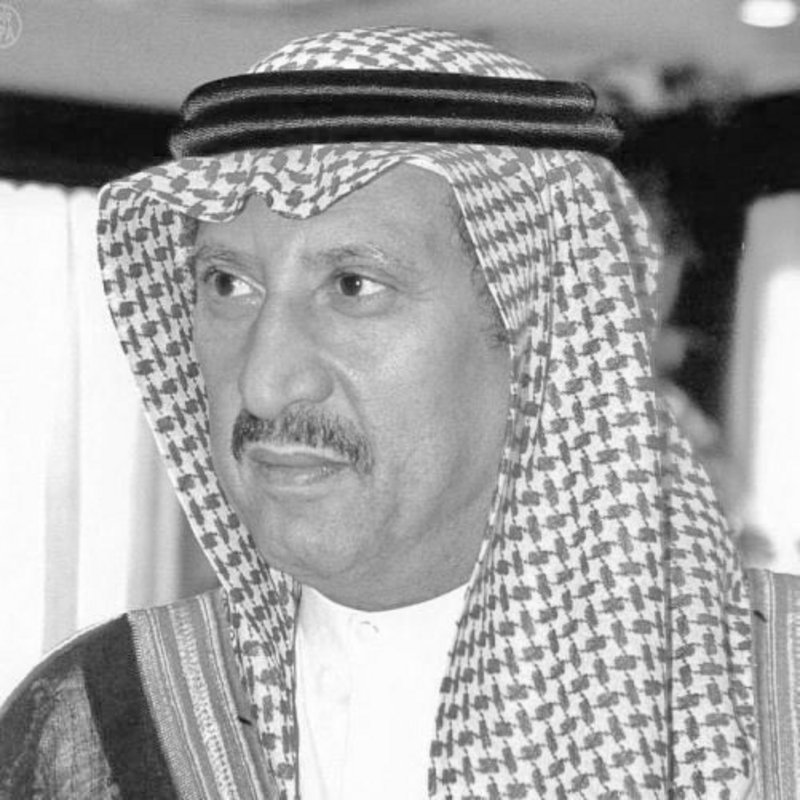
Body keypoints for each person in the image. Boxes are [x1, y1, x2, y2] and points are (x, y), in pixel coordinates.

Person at [0, 25, 795, 799]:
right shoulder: (97, 719)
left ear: (540, 335)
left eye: (354, 286)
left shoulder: (776, 705)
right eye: (228, 286)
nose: (266, 384)